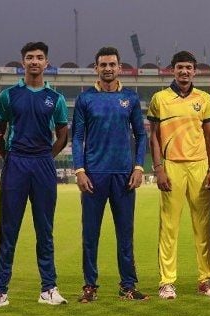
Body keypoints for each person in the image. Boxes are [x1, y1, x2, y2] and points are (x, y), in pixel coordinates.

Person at [0, 42, 69, 308]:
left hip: (42, 163)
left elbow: (63, 133)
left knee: (45, 229)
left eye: (40, 57)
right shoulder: (9, 96)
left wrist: (47, 157)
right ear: (23, 63)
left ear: (46, 63)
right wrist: (9, 156)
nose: (34, 61)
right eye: (30, 57)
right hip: (16, 164)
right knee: (8, 229)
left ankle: (49, 289)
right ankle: (0, 291)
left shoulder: (56, 99)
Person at [72, 47, 149, 302]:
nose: (108, 68)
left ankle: (127, 285)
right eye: (103, 64)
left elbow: (141, 135)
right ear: (96, 68)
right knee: (90, 234)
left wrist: (139, 167)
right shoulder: (86, 99)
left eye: (112, 64)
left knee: (125, 234)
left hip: (123, 176)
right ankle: (89, 286)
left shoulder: (131, 98)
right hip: (94, 176)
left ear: (119, 68)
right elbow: (78, 137)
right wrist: (80, 170)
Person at [148, 51, 210, 299]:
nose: (184, 72)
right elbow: (154, 137)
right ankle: (167, 282)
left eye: (189, 68)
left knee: (203, 227)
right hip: (172, 167)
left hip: (200, 167)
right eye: (180, 67)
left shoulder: (204, 98)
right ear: (172, 69)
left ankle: (205, 280)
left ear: (195, 71)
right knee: (169, 226)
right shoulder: (160, 98)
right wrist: (158, 168)